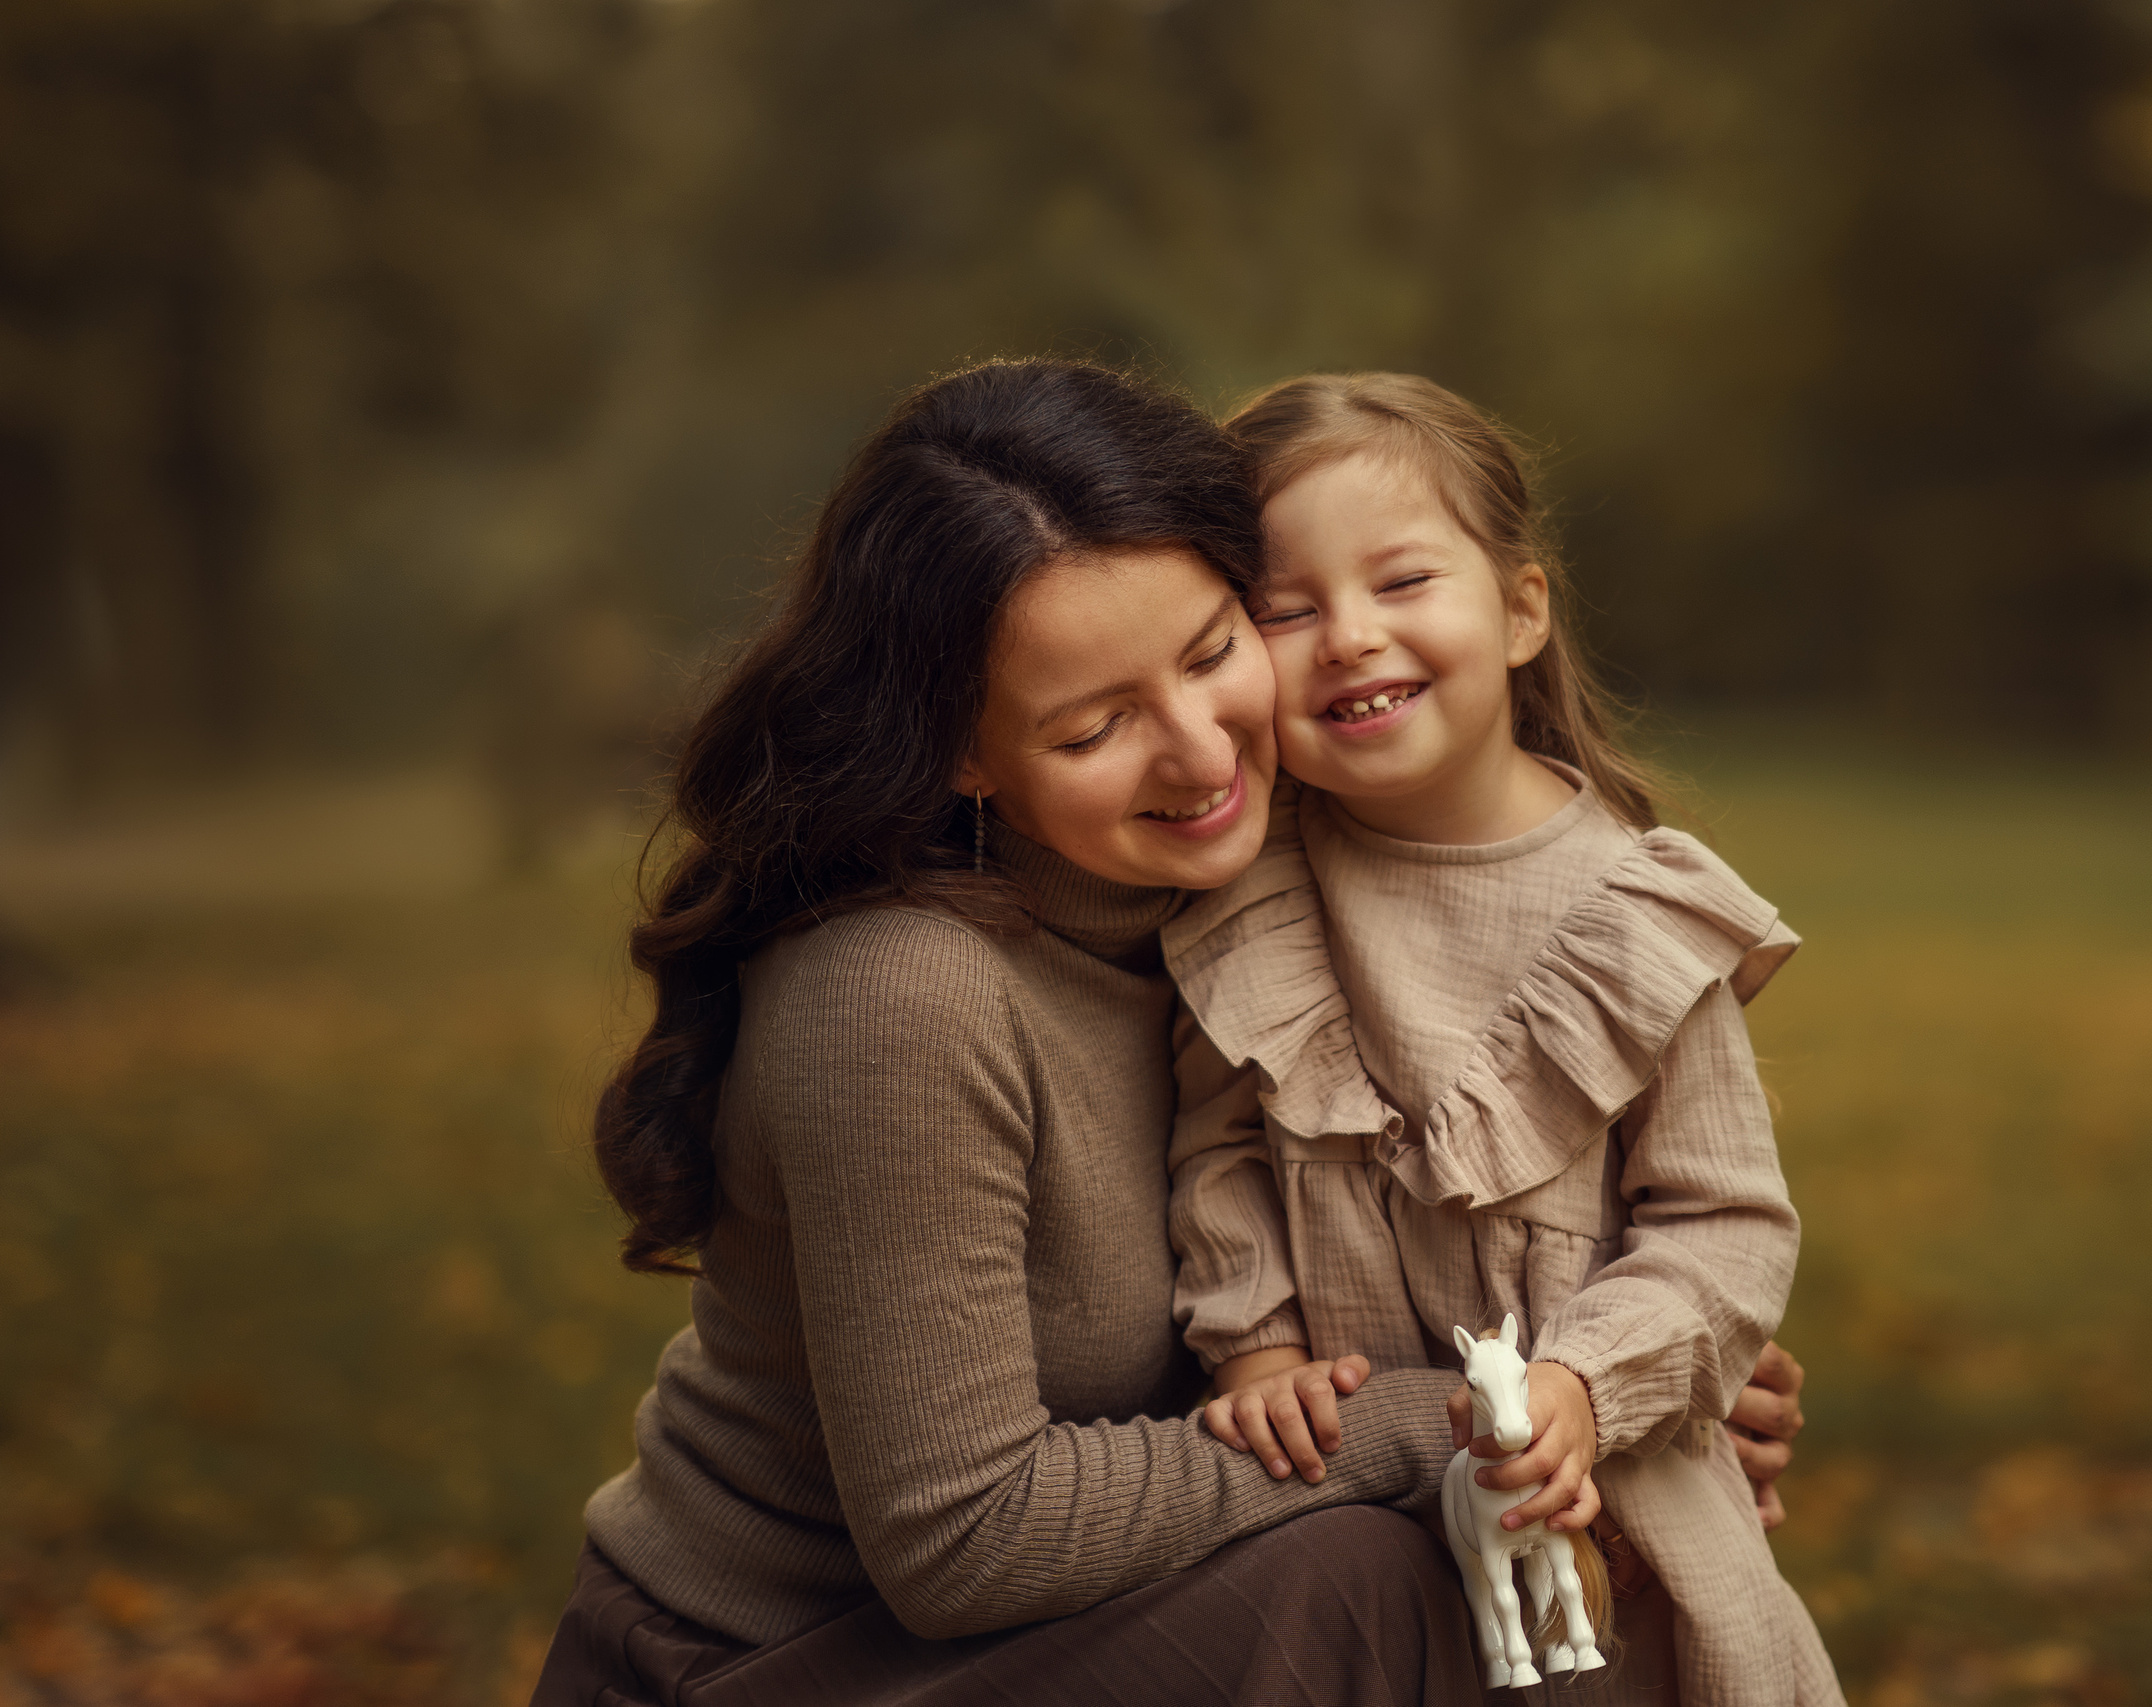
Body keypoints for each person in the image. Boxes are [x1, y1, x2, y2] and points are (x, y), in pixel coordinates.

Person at [531, 357, 1807, 1707]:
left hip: (1099, 1623)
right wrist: (1444, 1419)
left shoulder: (1285, 919)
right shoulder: (904, 994)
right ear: (965, 753)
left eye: (1212, 653)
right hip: (782, 1665)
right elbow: (963, 1538)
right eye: (1093, 727)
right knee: (1376, 1578)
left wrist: (1623, 1396)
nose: (1202, 755)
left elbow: (1536, 1230)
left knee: (1500, 1589)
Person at [1161, 373, 1843, 1704]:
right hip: (1337, 1499)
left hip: (1597, 1504)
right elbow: (1220, 1142)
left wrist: (1588, 1380)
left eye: (1403, 582)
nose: (1349, 636)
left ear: (1523, 608)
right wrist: (1258, 1349)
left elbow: (1724, 1228)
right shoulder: (1254, 893)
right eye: (1286, 610)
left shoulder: (1640, 912)